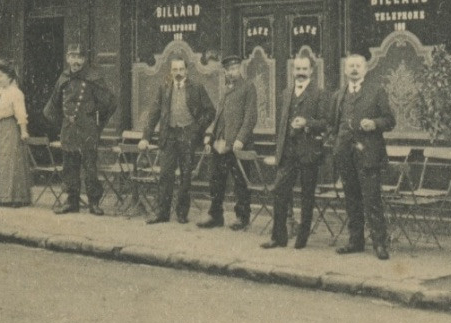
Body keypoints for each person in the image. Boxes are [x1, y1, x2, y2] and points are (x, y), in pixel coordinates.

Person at [331, 54, 397, 260]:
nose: (354, 69)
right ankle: (355, 241)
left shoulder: (376, 91)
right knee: (351, 199)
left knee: (372, 200)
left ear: (365, 69)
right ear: (345, 70)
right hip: (345, 155)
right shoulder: (339, 95)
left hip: (368, 155)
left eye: (358, 66)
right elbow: (333, 123)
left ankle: (380, 243)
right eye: (350, 66)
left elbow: (390, 120)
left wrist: (375, 123)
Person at [261, 56, 329, 250]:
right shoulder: (285, 93)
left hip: (308, 152)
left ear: (311, 71)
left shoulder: (319, 94)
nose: (300, 72)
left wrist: (307, 123)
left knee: (307, 196)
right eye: (297, 69)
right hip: (288, 152)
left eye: (304, 69)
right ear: (293, 71)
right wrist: (278, 151)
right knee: (280, 192)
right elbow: (281, 126)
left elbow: (326, 123)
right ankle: (278, 237)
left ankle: (302, 238)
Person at [139, 56, 217, 225]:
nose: (178, 73)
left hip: (188, 137)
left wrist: (196, 128)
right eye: (175, 70)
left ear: (186, 71)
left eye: (181, 69)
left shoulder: (197, 88)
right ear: (171, 71)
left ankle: (182, 213)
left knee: (185, 176)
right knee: (165, 174)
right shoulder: (164, 87)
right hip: (169, 136)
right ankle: (162, 213)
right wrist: (145, 137)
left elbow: (211, 111)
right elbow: (154, 114)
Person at [44, 47, 115, 215]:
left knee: (90, 167)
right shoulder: (64, 77)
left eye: (79, 57)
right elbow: (52, 105)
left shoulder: (93, 77)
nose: (75, 61)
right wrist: (60, 123)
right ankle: (72, 202)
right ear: (67, 58)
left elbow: (110, 103)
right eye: (72, 56)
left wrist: (96, 123)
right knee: (69, 167)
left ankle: (94, 203)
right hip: (69, 129)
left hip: (87, 129)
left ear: (84, 60)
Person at [198, 55, 257, 230]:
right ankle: (216, 215)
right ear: (225, 71)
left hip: (238, 144)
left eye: (235, 68)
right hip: (220, 143)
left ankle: (243, 218)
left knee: (241, 182)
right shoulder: (225, 89)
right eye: (229, 69)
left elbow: (250, 117)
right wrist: (211, 136)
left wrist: (240, 139)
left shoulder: (248, 87)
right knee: (216, 180)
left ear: (240, 69)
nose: (233, 72)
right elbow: (219, 116)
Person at [0, 62, 32, 207]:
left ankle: (16, 198)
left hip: (10, 127)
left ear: (10, 77)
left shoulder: (15, 92)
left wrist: (23, 131)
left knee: (10, 162)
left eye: (2, 76)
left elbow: (21, 113)